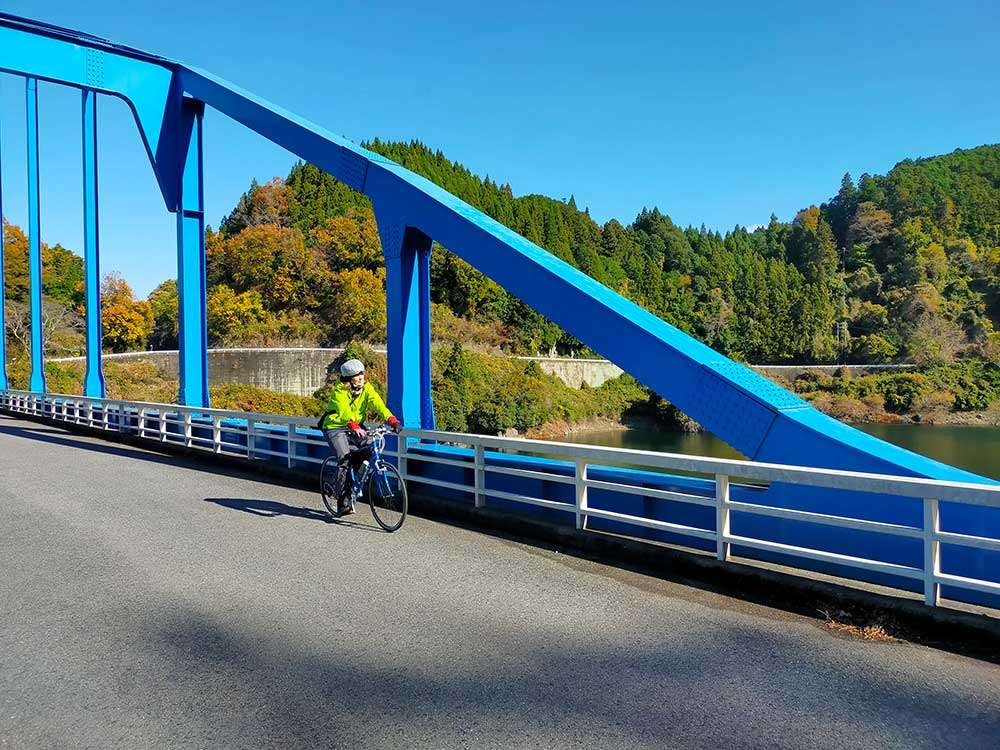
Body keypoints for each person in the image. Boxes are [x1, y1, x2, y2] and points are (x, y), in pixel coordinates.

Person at [320, 358, 401, 516]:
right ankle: (341, 499)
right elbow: (344, 412)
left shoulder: (367, 389)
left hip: (356, 427)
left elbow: (378, 404)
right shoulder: (340, 391)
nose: (361, 379)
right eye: (357, 377)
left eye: (362, 375)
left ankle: (354, 480)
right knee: (344, 458)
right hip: (335, 427)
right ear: (349, 379)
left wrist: (392, 420)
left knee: (369, 448)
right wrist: (353, 425)